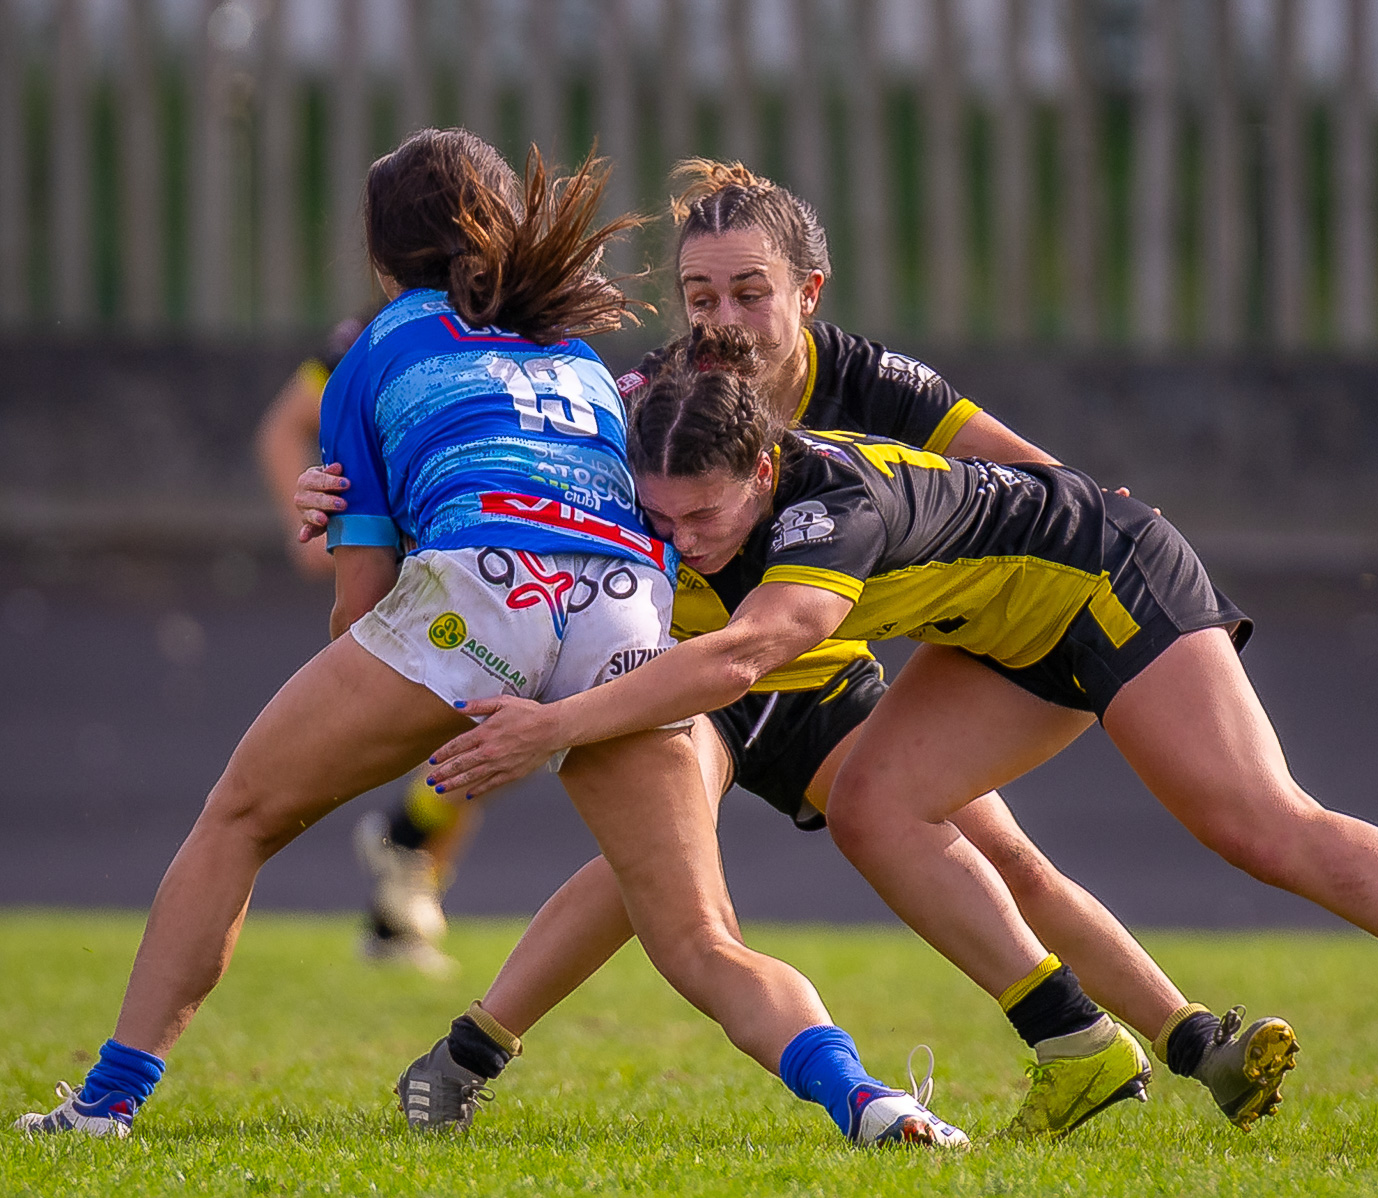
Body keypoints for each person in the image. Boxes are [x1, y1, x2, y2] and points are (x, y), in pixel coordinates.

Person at [424, 323, 1378, 1151]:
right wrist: (357, 484)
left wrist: (553, 726)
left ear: (766, 464)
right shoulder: (680, 439)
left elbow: (745, 653)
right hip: (998, 635)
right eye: (662, 517)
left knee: (1256, 824)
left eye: (708, 515)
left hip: (1109, 577)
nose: (684, 540)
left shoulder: (826, 506)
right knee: (877, 805)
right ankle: (1079, 1048)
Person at [298, 161, 1296, 1139]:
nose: (725, 320)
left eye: (747, 293)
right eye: (701, 296)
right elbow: (523, 487)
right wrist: (342, 502)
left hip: (822, 684)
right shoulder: (645, 399)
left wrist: (1108, 515)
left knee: (1006, 859)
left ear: (803, 294)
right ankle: (467, 1056)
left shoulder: (864, 377)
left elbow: (1026, 476)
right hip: (696, 675)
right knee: (653, 877)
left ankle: (1188, 1036)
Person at [12, 129, 965, 1150]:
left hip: (482, 592)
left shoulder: (375, 350)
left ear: (386, 259)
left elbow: (364, 606)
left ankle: (105, 1103)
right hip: (628, 607)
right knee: (696, 937)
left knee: (238, 819)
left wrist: (408, 695)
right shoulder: (582, 357)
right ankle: (869, 1098)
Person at [255, 311, 471, 973]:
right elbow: (284, 427)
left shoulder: (504, 318)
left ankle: (397, 916)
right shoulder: (374, 335)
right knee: (479, 727)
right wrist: (314, 524)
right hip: (408, 561)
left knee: (477, 738)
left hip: (465, 555)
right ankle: (401, 849)